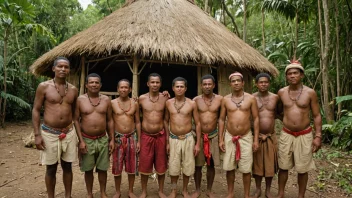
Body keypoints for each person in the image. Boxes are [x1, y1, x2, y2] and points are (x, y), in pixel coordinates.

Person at [32, 57, 78, 198]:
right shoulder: (44, 87)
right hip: (49, 133)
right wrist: (37, 135)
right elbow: (36, 110)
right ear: (54, 69)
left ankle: (68, 196)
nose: (63, 69)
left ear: (69, 70)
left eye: (66, 67)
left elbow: (75, 114)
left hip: (68, 132)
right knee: (51, 168)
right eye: (60, 66)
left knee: (68, 166)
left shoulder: (74, 90)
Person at [276, 61, 322, 198]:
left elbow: (317, 115)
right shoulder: (282, 92)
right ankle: (280, 193)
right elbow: (278, 110)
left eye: (295, 73)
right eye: (289, 74)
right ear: (286, 77)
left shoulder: (310, 93)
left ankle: (300, 195)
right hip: (286, 133)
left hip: (304, 134)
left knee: (302, 169)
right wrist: (287, 121)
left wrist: (318, 136)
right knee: (283, 166)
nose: (292, 76)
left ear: (301, 75)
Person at [73, 73, 114, 198]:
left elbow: (109, 120)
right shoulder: (80, 100)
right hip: (87, 139)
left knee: (103, 168)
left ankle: (103, 192)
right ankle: (90, 193)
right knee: (88, 168)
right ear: (86, 85)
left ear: (100, 85)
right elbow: (75, 120)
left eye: (97, 82)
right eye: (91, 82)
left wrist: (111, 139)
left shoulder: (106, 100)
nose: (94, 84)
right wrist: (81, 141)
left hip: (102, 138)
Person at [218, 72, 259, 198]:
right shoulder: (225, 99)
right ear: (230, 84)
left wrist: (256, 139)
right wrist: (220, 139)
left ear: (243, 83)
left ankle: (246, 194)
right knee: (229, 167)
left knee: (246, 168)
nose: (236, 83)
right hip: (229, 136)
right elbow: (221, 119)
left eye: (238, 81)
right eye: (233, 81)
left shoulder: (251, 98)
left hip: (246, 136)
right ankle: (230, 193)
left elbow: (256, 118)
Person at [164, 77, 201, 198]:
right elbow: (165, 121)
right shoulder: (168, 103)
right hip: (173, 139)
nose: (179, 89)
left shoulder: (191, 103)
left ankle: (185, 190)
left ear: (186, 88)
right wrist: (167, 141)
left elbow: (198, 123)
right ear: (173, 88)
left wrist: (197, 144)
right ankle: (174, 190)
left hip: (188, 138)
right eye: (177, 86)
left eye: (182, 86)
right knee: (174, 166)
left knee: (188, 166)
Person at [138, 73, 169, 198]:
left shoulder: (165, 98)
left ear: (160, 84)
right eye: (152, 82)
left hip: (161, 135)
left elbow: (167, 120)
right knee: (145, 164)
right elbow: (136, 118)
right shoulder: (141, 99)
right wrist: (138, 139)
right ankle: (144, 191)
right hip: (146, 136)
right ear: (147, 84)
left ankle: (161, 190)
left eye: (157, 82)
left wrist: (167, 140)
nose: (155, 85)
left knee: (161, 164)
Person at [192, 74, 222, 198]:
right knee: (198, 165)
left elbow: (222, 119)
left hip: (213, 136)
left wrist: (221, 138)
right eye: (205, 84)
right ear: (201, 86)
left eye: (210, 84)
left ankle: (209, 190)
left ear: (214, 85)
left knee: (211, 164)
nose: (207, 86)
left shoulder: (220, 99)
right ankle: (198, 189)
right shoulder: (196, 100)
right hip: (198, 136)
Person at [111, 79, 141, 198]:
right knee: (117, 166)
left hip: (131, 137)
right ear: (118, 89)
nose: (123, 89)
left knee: (132, 166)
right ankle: (118, 191)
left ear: (130, 89)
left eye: (126, 87)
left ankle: (130, 191)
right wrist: (112, 139)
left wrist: (138, 140)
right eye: (121, 87)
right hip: (118, 138)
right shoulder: (112, 103)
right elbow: (110, 122)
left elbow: (138, 122)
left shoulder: (135, 104)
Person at [251, 73, 279, 198]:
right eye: (261, 82)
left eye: (266, 82)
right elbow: (248, 117)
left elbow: (280, 113)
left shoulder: (275, 98)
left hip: (270, 136)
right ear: (256, 84)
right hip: (256, 136)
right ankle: (258, 189)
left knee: (270, 164)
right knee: (257, 164)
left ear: (269, 83)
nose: (263, 84)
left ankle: (268, 190)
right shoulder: (251, 98)